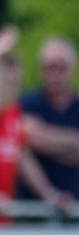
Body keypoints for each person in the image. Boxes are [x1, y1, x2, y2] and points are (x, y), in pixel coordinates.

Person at [0, 37, 68, 209]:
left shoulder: (12, 112)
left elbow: (21, 156)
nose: (12, 87)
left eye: (15, 82)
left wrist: (50, 195)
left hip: (2, 212)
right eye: (8, 81)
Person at [20, 36, 79, 198]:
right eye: (51, 67)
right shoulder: (26, 104)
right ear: (41, 69)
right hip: (32, 206)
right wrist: (73, 144)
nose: (56, 73)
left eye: (62, 67)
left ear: (72, 70)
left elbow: (32, 138)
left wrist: (43, 140)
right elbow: (22, 138)